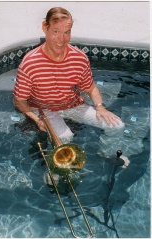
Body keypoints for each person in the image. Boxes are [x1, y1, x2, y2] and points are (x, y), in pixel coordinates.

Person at [13, 7, 124, 142]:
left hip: (73, 105)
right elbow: (19, 100)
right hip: (44, 109)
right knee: (65, 137)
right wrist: (36, 120)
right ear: (45, 27)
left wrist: (100, 107)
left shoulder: (79, 58)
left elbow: (91, 88)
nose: (62, 39)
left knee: (117, 126)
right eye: (56, 31)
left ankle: (109, 154)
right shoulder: (30, 62)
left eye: (67, 32)